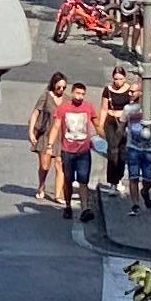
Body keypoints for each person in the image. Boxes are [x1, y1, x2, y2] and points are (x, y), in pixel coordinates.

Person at [54, 77, 101, 229]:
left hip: (83, 151)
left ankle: (85, 208)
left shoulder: (88, 107)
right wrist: (50, 145)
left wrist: (107, 138)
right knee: (67, 179)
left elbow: (97, 123)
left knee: (83, 180)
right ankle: (67, 205)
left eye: (82, 94)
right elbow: (56, 127)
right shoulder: (63, 108)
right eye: (77, 93)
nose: (80, 96)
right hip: (67, 150)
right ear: (72, 93)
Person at [28, 72, 68, 211]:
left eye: (64, 87)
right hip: (45, 135)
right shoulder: (45, 97)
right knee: (45, 166)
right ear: (53, 85)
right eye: (59, 87)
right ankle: (41, 185)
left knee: (60, 165)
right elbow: (35, 113)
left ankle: (58, 195)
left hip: (61, 137)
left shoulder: (66, 99)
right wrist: (31, 131)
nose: (61, 90)